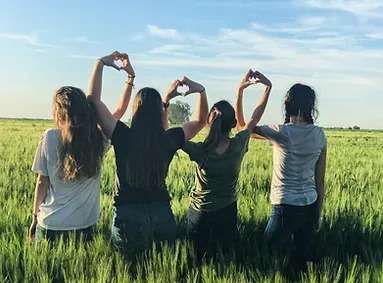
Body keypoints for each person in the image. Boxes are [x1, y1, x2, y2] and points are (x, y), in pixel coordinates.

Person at [87, 51, 208, 255]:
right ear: (160, 112)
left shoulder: (122, 135)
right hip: (162, 213)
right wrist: (200, 91)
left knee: (129, 270)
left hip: (127, 214)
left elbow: (93, 101)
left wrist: (100, 63)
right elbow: (200, 121)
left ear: (135, 110)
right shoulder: (169, 139)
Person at [28, 55, 134, 242]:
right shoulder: (98, 138)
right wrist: (129, 79)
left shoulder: (50, 137)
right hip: (85, 225)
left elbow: (41, 182)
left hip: (51, 224)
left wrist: (34, 217)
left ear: (59, 113)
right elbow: (119, 111)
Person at [183, 69, 272, 259]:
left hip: (200, 215)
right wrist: (265, 88)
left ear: (209, 122)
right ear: (232, 124)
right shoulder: (239, 144)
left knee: (196, 263)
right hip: (227, 213)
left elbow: (169, 137)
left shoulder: (200, 150)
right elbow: (254, 118)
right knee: (226, 261)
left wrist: (166, 99)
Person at [237, 82, 327, 269]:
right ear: (311, 106)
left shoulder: (281, 132)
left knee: (266, 257)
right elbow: (320, 181)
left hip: (284, 207)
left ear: (288, 105)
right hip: (309, 206)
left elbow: (242, 128)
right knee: (300, 264)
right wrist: (317, 215)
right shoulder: (320, 135)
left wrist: (240, 90)